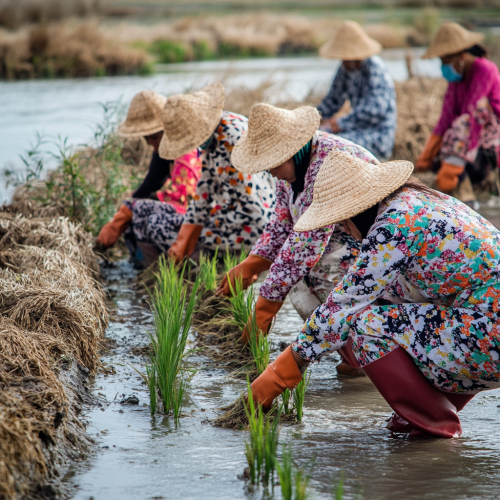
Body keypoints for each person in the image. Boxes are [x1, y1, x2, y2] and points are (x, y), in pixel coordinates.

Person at [249, 150, 500, 438]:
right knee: (386, 303)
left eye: (343, 221)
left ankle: (437, 425)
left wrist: (279, 374)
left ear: (359, 209)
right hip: (484, 323)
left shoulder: (393, 225)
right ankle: (421, 415)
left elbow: (339, 309)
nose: (344, 229)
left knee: (363, 324)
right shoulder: (422, 201)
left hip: (489, 333)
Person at [218, 103, 379, 376]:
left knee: (311, 270)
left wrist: (264, 307)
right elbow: (281, 224)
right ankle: (352, 352)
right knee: (297, 287)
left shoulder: (328, 163)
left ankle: (369, 351)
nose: (269, 171)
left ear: (294, 149)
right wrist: (250, 265)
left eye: (273, 162)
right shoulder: (291, 169)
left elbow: (305, 246)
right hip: (343, 247)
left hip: (378, 254)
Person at [132, 82, 276, 263]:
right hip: (250, 220)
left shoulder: (229, 142)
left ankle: (202, 266)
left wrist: (188, 237)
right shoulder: (223, 127)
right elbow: (204, 191)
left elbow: (251, 207)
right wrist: (185, 236)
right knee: (159, 217)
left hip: (254, 231)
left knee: (158, 224)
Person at [95, 90, 201, 264]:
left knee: (145, 214)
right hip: (189, 217)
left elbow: (182, 195)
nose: (150, 143)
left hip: (201, 221)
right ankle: (145, 267)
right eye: (146, 138)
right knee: (136, 211)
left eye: (154, 137)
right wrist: (122, 212)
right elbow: (150, 185)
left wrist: (128, 210)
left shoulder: (185, 149)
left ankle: (185, 263)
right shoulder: (163, 149)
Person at [417, 22, 500, 199]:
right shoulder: (456, 80)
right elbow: (445, 117)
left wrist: (451, 165)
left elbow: (470, 114)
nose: (443, 66)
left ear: (459, 56)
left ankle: (452, 174)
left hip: (489, 133)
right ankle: (457, 183)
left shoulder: (485, 69)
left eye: (445, 60)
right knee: (454, 130)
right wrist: (426, 157)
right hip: (465, 137)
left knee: (466, 119)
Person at [317, 20, 397, 160]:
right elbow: (332, 100)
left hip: (378, 134)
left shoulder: (374, 68)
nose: (343, 61)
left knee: (333, 145)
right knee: (318, 137)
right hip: (356, 129)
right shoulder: (345, 69)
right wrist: (313, 118)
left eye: (345, 57)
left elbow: (375, 110)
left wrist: (340, 123)